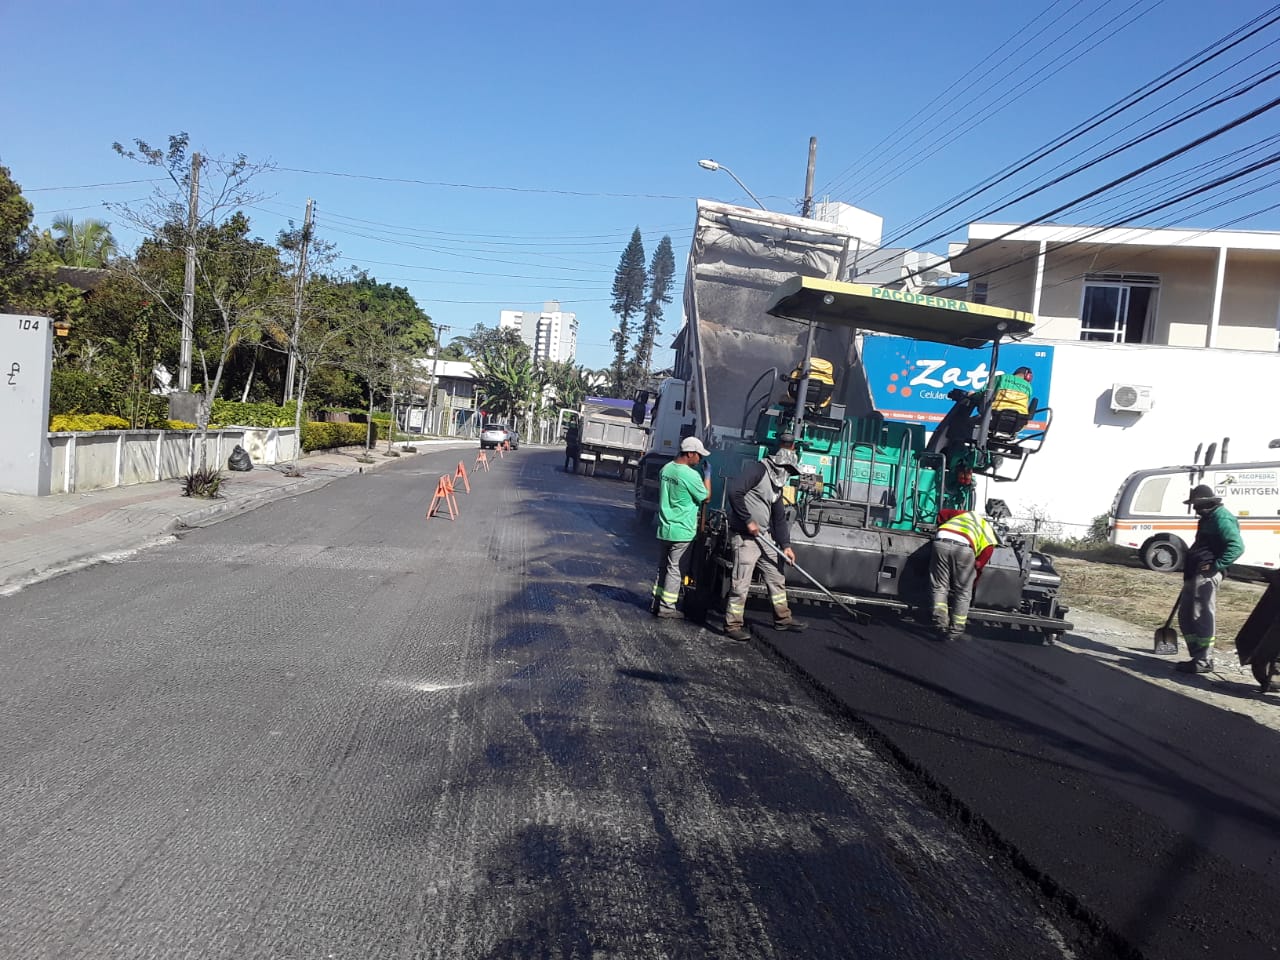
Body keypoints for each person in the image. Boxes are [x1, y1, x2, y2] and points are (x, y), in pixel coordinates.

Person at [723, 447, 807, 641]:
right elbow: (734, 492)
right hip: (745, 537)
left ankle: (783, 618)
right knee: (741, 582)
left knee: (776, 576)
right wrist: (747, 520)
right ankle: (732, 625)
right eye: (789, 470)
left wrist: (786, 545)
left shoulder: (777, 485)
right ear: (780, 464)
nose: (789, 475)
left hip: (764, 537)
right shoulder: (757, 470)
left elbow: (778, 518)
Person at [1175, 484, 1244, 673]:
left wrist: (1216, 565)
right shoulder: (1207, 518)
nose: (1195, 509)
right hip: (1195, 572)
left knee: (1201, 615)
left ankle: (1204, 660)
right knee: (1186, 615)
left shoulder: (1221, 518)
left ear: (1207, 503)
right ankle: (1197, 657)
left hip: (1207, 575)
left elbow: (1236, 547)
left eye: (1197, 505)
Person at [650, 436, 712, 619]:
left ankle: (656, 601)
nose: (699, 460)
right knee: (675, 569)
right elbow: (706, 497)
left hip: (665, 527)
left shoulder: (666, 469)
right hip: (682, 530)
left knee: (663, 566)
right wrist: (707, 476)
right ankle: (667, 607)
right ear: (690, 453)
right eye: (698, 456)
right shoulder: (691, 475)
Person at [929, 508, 999, 640]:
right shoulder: (988, 532)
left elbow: (943, 513)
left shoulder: (964, 515)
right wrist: (975, 574)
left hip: (941, 540)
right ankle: (955, 631)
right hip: (964, 549)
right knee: (963, 592)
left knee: (939, 586)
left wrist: (940, 523)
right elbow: (983, 559)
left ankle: (940, 623)